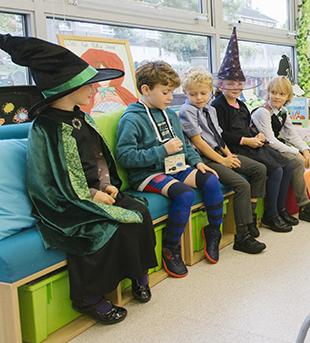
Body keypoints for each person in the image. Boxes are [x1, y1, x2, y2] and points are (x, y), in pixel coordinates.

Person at [0, 35, 157, 325]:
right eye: (88, 84)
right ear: (67, 88)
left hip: (98, 190)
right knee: (98, 230)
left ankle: (138, 274)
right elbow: (49, 178)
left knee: (139, 210)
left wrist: (107, 185)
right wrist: (90, 195)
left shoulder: (81, 118)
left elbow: (98, 158)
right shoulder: (44, 128)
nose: (94, 88)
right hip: (64, 202)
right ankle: (88, 298)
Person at [115, 61, 223, 278]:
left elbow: (182, 143)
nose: (170, 97)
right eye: (165, 92)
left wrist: (196, 161)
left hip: (175, 166)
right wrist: (161, 151)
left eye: (172, 92)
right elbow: (124, 156)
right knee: (184, 193)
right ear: (146, 90)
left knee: (210, 180)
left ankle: (213, 232)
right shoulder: (132, 118)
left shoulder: (170, 114)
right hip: (147, 173)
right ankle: (170, 248)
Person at [211, 28, 303, 232]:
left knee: (286, 165)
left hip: (252, 144)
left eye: (239, 84)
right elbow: (221, 134)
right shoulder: (218, 106)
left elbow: (247, 128)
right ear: (221, 84)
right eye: (230, 83)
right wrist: (247, 141)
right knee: (275, 169)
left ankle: (280, 209)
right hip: (237, 148)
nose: (235, 87)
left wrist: (256, 135)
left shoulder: (242, 105)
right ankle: (270, 214)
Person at [178, 66, 266, 254]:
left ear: (211, 91)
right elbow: (198, 142)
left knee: (259, 169)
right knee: (242, 185)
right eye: (193, 94)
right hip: (205, 158)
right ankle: (242, 236)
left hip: (219, 153)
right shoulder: (186, 110)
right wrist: (222, 160)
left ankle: (249, 217)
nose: (199, 98)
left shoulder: (210, 109)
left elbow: (218, 136)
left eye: (203, 93)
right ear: (185, 93)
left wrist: (228, 155)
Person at [250, 76, 310, 225]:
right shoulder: (263, 112)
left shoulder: (283, 111)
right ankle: (304, 206)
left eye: (282, 94)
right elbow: (271, 141)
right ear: (268, 92)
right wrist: (298, 154)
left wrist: (305, 151)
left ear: (288, 96)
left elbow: (292, 134)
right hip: (264, 147)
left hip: (276, 143)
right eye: (274, 92)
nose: (277, 96)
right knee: (297, 162)